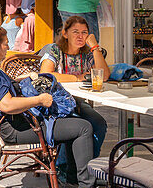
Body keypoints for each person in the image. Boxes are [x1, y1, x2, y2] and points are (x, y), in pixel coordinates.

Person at [0, 25, 103, 188]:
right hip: (16, 130)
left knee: (74, 121)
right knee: (83, 127)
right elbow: (6, 104)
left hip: (5, 127)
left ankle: (73, 184)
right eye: (6, 44)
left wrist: (22, 79)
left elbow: (2, 91)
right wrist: (39, 99)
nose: (8, 46)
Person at [39, 15, 110, 162]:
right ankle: (64, 168)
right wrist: (77, 78)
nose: (80, 36)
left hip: (77, 102)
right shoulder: (55, 50)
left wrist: (95, 47)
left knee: (99, 124)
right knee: (79, 125)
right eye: (75, 32)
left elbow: (104, 76)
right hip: (55, 104)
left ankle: (90, 165)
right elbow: (45, 74)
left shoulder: (86, 54)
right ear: (65, 33)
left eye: (84, 32)